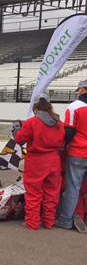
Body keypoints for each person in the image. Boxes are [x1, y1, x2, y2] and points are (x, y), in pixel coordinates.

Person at [15, 94, 65, 230]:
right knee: (52, 193)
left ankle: (32, 223)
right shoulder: (59, 123)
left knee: (33, 193)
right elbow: (62, 142)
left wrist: (16, 129)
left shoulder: (32, 122)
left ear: (35, 106)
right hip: (54, 160)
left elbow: (19, 139)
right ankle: (49, 222)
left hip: (36, 160)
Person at [56, 79, 87, 231]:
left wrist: (62, 145)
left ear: (82, 90)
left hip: (78, 152)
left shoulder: (74, 107)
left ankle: (65, 220)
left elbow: (69, 131)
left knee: (72, 188)